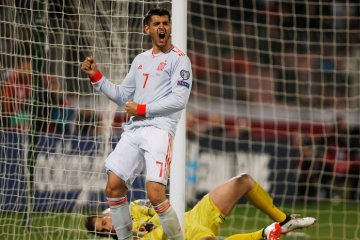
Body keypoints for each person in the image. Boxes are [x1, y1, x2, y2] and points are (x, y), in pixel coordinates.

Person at [81, 7, 192, 240]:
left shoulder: (180, 60)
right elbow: (123, 95)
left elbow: (179, 100)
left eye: (165, 23)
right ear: (148, 29)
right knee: (113, 187)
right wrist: (97, 77)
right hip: (135, 129)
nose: (162, 27)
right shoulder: (140, 60)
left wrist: (142, 109)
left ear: (169, 27)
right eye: (157, 24)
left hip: (159, 130)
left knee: (155, 194)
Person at [85, 173, 316, 240]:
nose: (109, 228)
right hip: (187, 235)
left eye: (104, 223)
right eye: (104, 231)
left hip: (194, 215)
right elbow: (161, 232)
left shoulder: (131, 208)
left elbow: (157, 207)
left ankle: (284, 221)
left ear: (106, 214)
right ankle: (263, 235)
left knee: (243, 181)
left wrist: (144, 223)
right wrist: (138, 232)